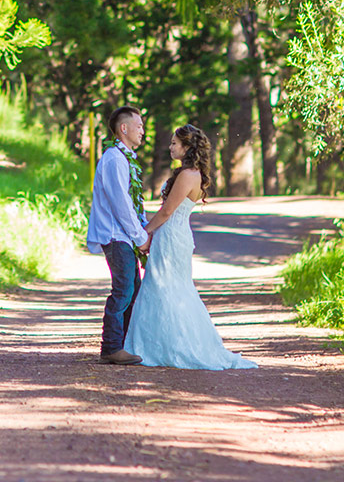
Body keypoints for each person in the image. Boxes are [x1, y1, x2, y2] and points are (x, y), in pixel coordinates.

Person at [123, 124, 257, 370]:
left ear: (186, 147)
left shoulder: (187, 175)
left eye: (175, 143)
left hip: (172, 236)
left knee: (167, 286)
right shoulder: (188, 173)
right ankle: (160, 343)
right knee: (166, 286)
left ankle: (171, 345)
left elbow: (166, 211)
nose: (171, 146)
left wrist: (144, 233)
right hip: (174, 234)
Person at [85, 105, 150, 365]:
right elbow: (120, 203)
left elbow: (134, 203)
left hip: (124, 236)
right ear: (124, 129)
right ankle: (111, 347)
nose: (143, 131)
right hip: (115, 235)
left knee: (132, 288)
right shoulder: (114, 158)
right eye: (139, 126)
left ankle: (123, 344)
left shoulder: (125, 159)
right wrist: (140, 236)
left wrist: (143, 228)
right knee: (123, 290)